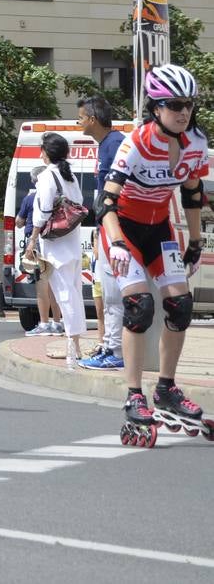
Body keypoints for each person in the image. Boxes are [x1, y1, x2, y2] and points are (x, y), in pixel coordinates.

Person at [101, 66, 210, 447]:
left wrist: (195, 241)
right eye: (175, 105)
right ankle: (134, 394)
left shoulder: (196, 142)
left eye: (189, 105)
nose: (184, 112)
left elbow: (193, 193)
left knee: (179, 305)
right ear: (155, 107)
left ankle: (166, 389)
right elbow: (106, 203)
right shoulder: (135, 144)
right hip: (124, 230)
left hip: (160, 228)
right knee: (140, 306)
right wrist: (115, 244)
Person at [78, 96, 126, 370]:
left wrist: (110, 231)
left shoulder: (115, 144)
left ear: (93, 119)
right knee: (108, 295)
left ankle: (115, 352)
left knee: (112, 295)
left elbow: (120, 191)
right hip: (106, 230)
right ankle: (110, 347)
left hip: (115, 231)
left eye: (81, 118)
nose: (79, 123)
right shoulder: (107, 145)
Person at [32, 132, 86, 368]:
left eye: (42, 149)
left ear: (47, 153)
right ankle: (74, 346)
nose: (40, 153)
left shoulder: (47, 177)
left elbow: (43, 211)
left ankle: (73, 349)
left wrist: (33, 238)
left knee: (65, 295)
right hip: (72, 242)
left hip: (55, 245)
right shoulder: (70, 176)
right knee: (73, 293)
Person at [18, 168, 61, 335]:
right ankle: (57, 322)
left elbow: (19, 222)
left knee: (41, 285)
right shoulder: (57, 198)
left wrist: (32, 241)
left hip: (38, 245)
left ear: (34, 181)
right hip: (55, 242)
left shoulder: (31, 198)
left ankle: (44, 323)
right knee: (54, 285)